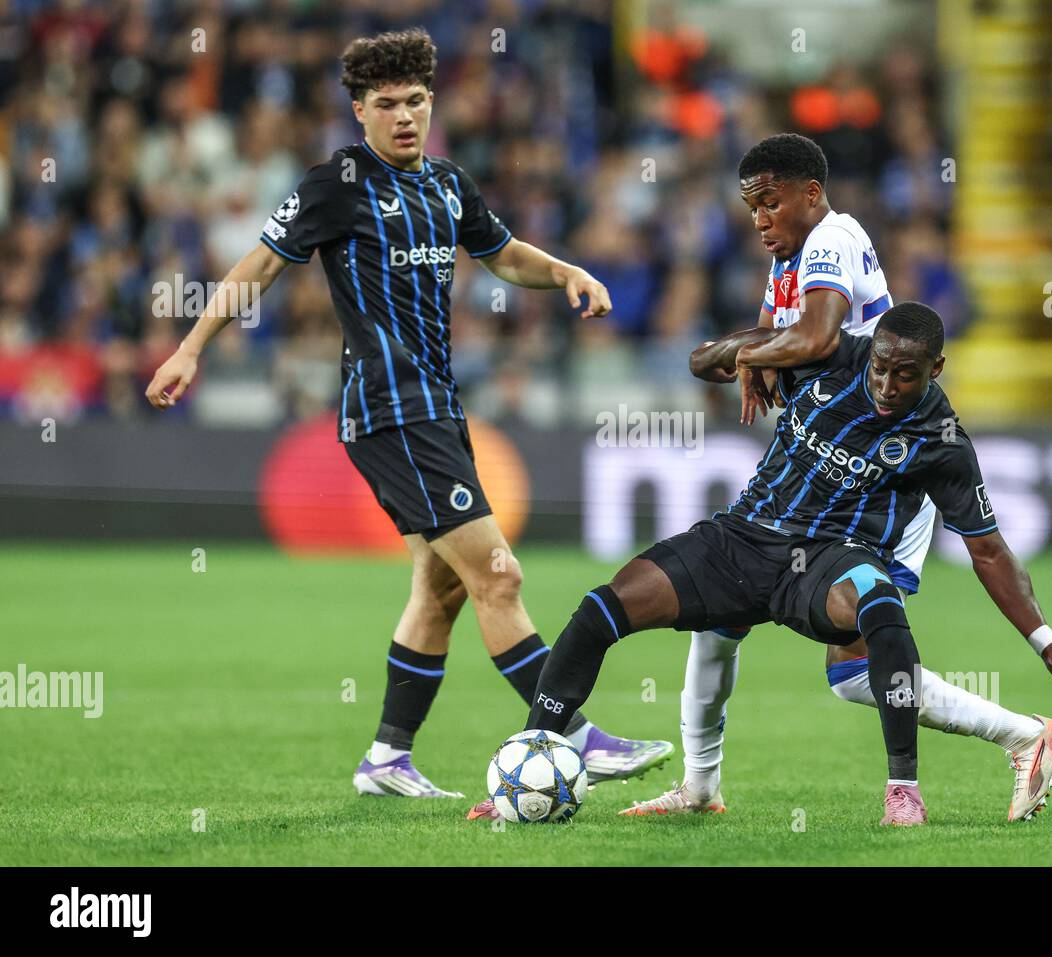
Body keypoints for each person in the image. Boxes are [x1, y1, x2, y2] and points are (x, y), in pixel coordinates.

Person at [145, 27, 671, 801]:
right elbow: (258, 263)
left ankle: (387, 759)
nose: (403, 117)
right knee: (499, 571)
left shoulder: (448, 185)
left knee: (442, 587)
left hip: (439, 408)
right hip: (391, 411)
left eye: (416, 102)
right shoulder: (337, 184)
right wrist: (191, 347)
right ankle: (574, 734)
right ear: (358, 111)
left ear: (433, 104)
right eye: (386, 104)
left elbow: (501, 253)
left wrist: (564, 272)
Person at [638, 133, 1052, 821]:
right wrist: (760, 351)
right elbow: (780, 341)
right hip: (825, 468)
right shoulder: (792, 257)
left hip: (873, 482)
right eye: (752, 207)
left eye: (768, 202)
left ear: (807, 194)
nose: (759, 218)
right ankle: (701, 786)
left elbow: (816, 338)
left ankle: (1011, 742)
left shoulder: (834, 239)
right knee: (757, 633)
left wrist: (738, 349)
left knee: (837, 659)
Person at [518, 302, 1052, 826]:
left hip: (827, 560)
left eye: (905, 374)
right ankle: (533, 756)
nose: (885, 383)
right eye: (880, 366)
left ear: (937, 369)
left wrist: (1046, 645)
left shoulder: (941, 439)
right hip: (742, 538)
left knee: (874, 611)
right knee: (603, 608)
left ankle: (903, 789)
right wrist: (748, 351)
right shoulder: (825, 352)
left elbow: (988, 549)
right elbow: (702, 362)